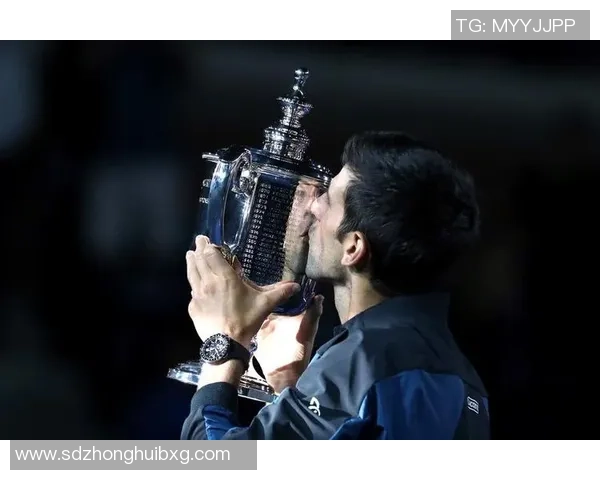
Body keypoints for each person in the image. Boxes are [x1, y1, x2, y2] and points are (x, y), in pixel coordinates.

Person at [180, 131, 489, 440]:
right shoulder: (461, 375)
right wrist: (294, 387)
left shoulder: (362, 362)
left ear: (353, 248)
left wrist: (226, 341)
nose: (314, 206)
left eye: (328, 199)